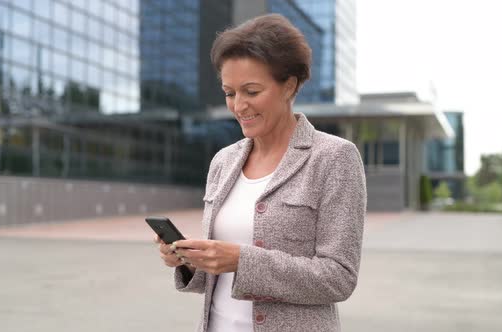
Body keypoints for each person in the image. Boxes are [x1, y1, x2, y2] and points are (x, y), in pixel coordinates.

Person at [154, 14, 366, 332]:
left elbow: (338, 278)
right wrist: (189, 261)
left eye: (251, 92)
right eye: (229, 93)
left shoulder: (334, 158)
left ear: (289, 86)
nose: (239, 106)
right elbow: (219, 272)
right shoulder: (223, 162)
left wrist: (242, 260)